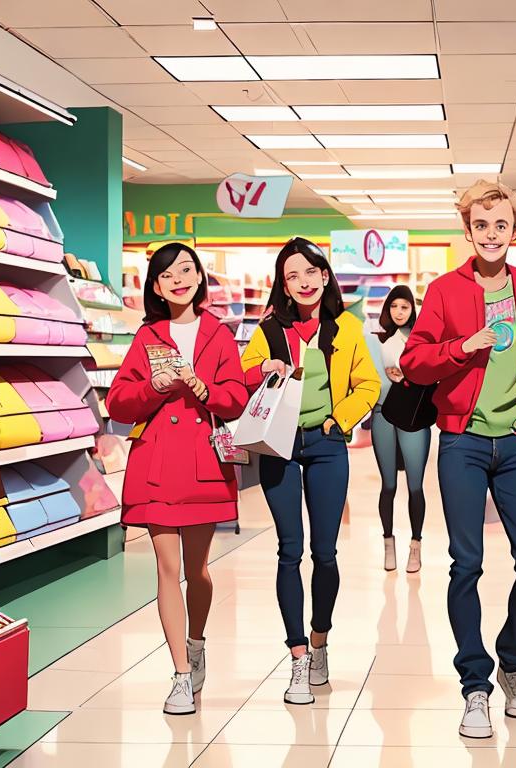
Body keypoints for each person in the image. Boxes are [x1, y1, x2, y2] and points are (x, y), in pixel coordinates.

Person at [401, 180, 516, 739]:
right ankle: (475, 684)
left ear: (515, 230)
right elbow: (416, 360)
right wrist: (463, 347)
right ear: (468, 230)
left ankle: (513, 662)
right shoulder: (445, 292)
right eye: (481, 225)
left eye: (501, 225)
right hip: (462, 443)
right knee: (466, 564)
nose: (491, 234)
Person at [106, 243, 248, 716]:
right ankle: (181, 675)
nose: (178, 279)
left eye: (186, 269)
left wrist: (204, 390)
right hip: (157, 466)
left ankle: (197, 641)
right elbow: (119, 403)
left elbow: (236, 399)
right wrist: (155, 387)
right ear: (156, 287)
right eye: (167, 275)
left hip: (204, 465)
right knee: (167, 570)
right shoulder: (146, 336)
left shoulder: (219, 336)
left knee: (197, 571)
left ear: (199, 276)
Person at [241, 237, 379, 705]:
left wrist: (339, 420)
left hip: (326, 445)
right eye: (290, 276)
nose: (301, 282)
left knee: (324, 552)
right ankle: (297, 656)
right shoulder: (269, 329)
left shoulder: (348, 328)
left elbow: (369, 383)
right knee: (288, 550)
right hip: (277, 444)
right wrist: (264, 365)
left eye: (308, 272)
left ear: (324, 275)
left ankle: (320, 640)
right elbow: (243, 374)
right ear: (283, 285)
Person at [366, 285, 431, 573]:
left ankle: (416, 546)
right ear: (387, 309)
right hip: (383, 412)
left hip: (413, 414)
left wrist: (409, 374)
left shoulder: (421, 340)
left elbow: (434, 373)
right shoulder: (375, 340)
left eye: (405, 307)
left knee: (415, 486)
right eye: (394, 306)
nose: (399, 312)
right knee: (389, 485)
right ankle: (388, 543)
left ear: (412, 309)